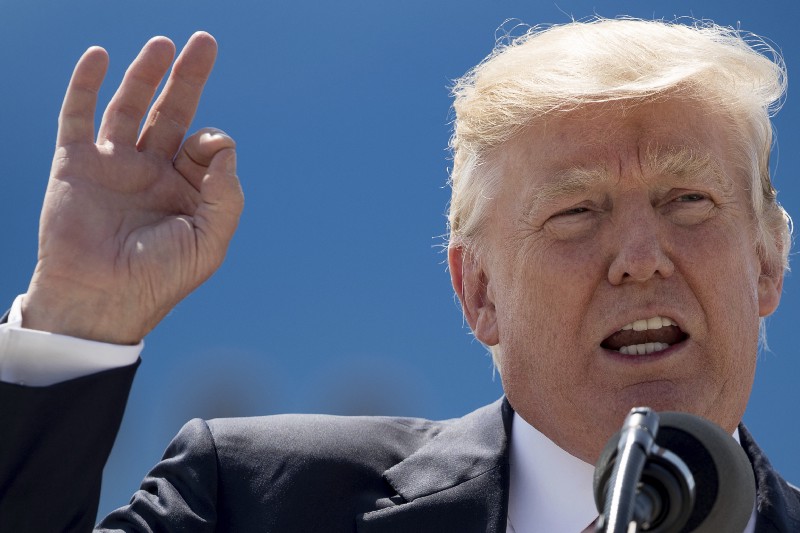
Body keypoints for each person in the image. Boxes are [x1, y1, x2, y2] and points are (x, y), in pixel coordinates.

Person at [1, 17, 798, 533]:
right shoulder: (254, 502)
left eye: (688, 199)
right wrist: (76, 321)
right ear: (477, 291)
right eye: (577, 211)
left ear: (767, 262)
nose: (640, 257)